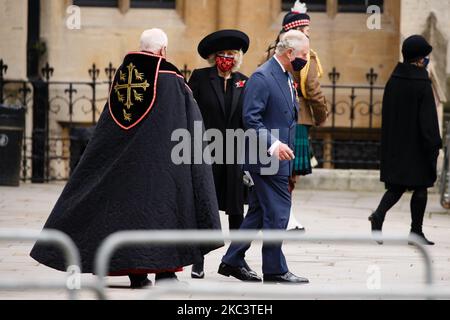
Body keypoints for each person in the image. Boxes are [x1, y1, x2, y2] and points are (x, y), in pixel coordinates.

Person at [30, 29, 222, 288]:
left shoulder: (123, 77)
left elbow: (108, 130)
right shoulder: (172, 80)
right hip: (162, 167)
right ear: (163, 50)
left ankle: (137, 275)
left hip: (127, 167)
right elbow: (187, 127)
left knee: (130, 214)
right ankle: (165, 274)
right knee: (163, 214)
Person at [218, 30, 310, 284]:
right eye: (303, 54)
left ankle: (232, 259)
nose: (306, 59)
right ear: (289, 53)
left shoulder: (285, 75)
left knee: (258, 212)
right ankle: (275, 270)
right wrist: (274, 145)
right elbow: (251, 119)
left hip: (279, 158)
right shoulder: (263, 76)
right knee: (279, 213)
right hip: (267, 159)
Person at [188, 30, 250, 279]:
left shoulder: (244, 81)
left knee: (236, 210)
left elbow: (248, 119)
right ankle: (197, 260)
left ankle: (236, 260)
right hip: (207, 152)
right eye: (223, 54)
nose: (228, 58)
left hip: (234, 153)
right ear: (214, 57)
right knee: (203, 207)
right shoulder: (201, 78)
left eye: (233, 54)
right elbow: (189, 112)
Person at [369, 35, 442, 245]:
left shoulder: (394, 80)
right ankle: (415, 231)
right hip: (418, 146)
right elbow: (428, 120)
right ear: (420, 59)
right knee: (421, 187)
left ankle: (379, 216)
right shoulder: (422, 83)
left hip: (397, 145)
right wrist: (434, 144)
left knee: (397, 186)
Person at [266, 1, 328, 232]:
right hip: (298, 117)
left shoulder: (271, 52)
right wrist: (321, 115)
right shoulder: (304, 56)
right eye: (307, 30)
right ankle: (286, 215)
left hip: (273, 118)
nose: (309, 34)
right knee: (290, 174)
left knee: (279, 171)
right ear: (297, 31)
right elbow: (312, 90)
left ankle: (283, 214)